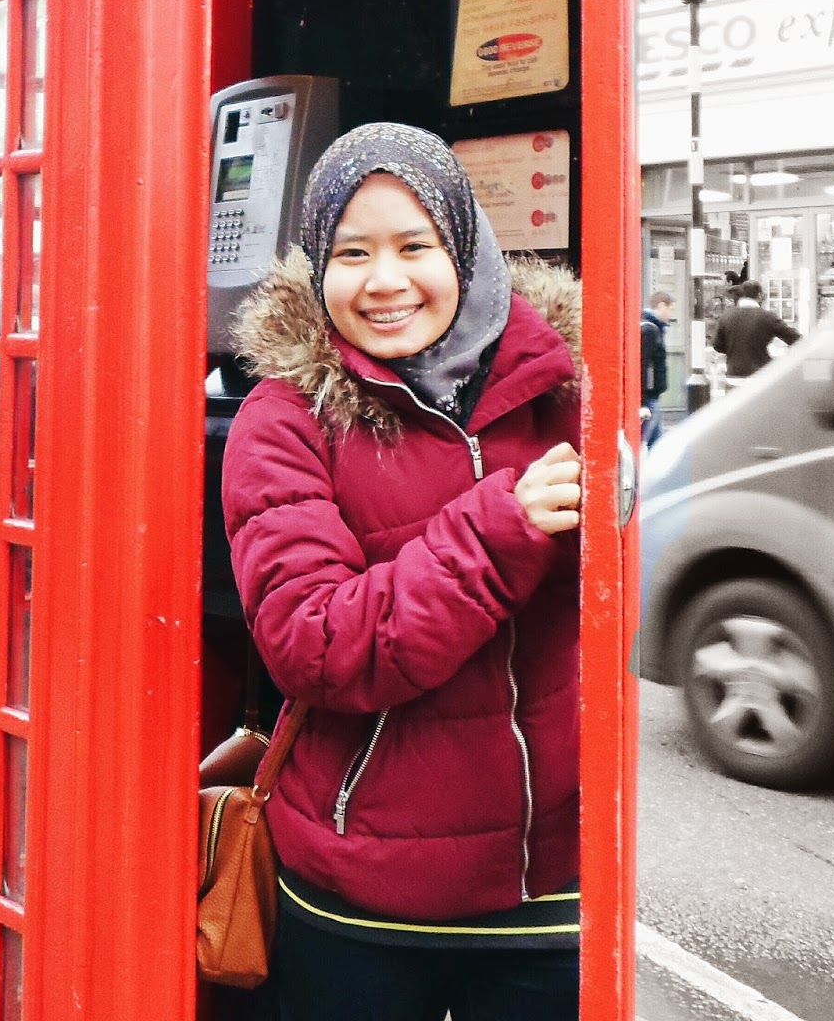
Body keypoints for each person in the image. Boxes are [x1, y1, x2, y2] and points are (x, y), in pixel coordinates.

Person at [222, 124, 583, 1021]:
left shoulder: (566, 387)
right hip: (359, 899)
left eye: (415, 246)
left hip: (549, 885)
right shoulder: (285, 418)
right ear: (318, 264)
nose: (385, 281)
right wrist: (499, 532)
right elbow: (315, 647)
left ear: (464, 246)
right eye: (353, 253)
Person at [712, 279, 799, 386]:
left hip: (733, 376)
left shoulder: (726, 316)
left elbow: (717, 346)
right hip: (760, 377)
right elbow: (795, 339)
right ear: (759, 295)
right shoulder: (767, 317)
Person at [640, 290, 675, 447]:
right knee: (646, 442)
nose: (671, 314)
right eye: (670, 309)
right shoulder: (650, 330)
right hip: (650, 397)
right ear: (661, 306)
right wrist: (641, 401)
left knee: (655, 443)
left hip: (651, 395)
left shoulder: (652, 327)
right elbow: (643, 365)